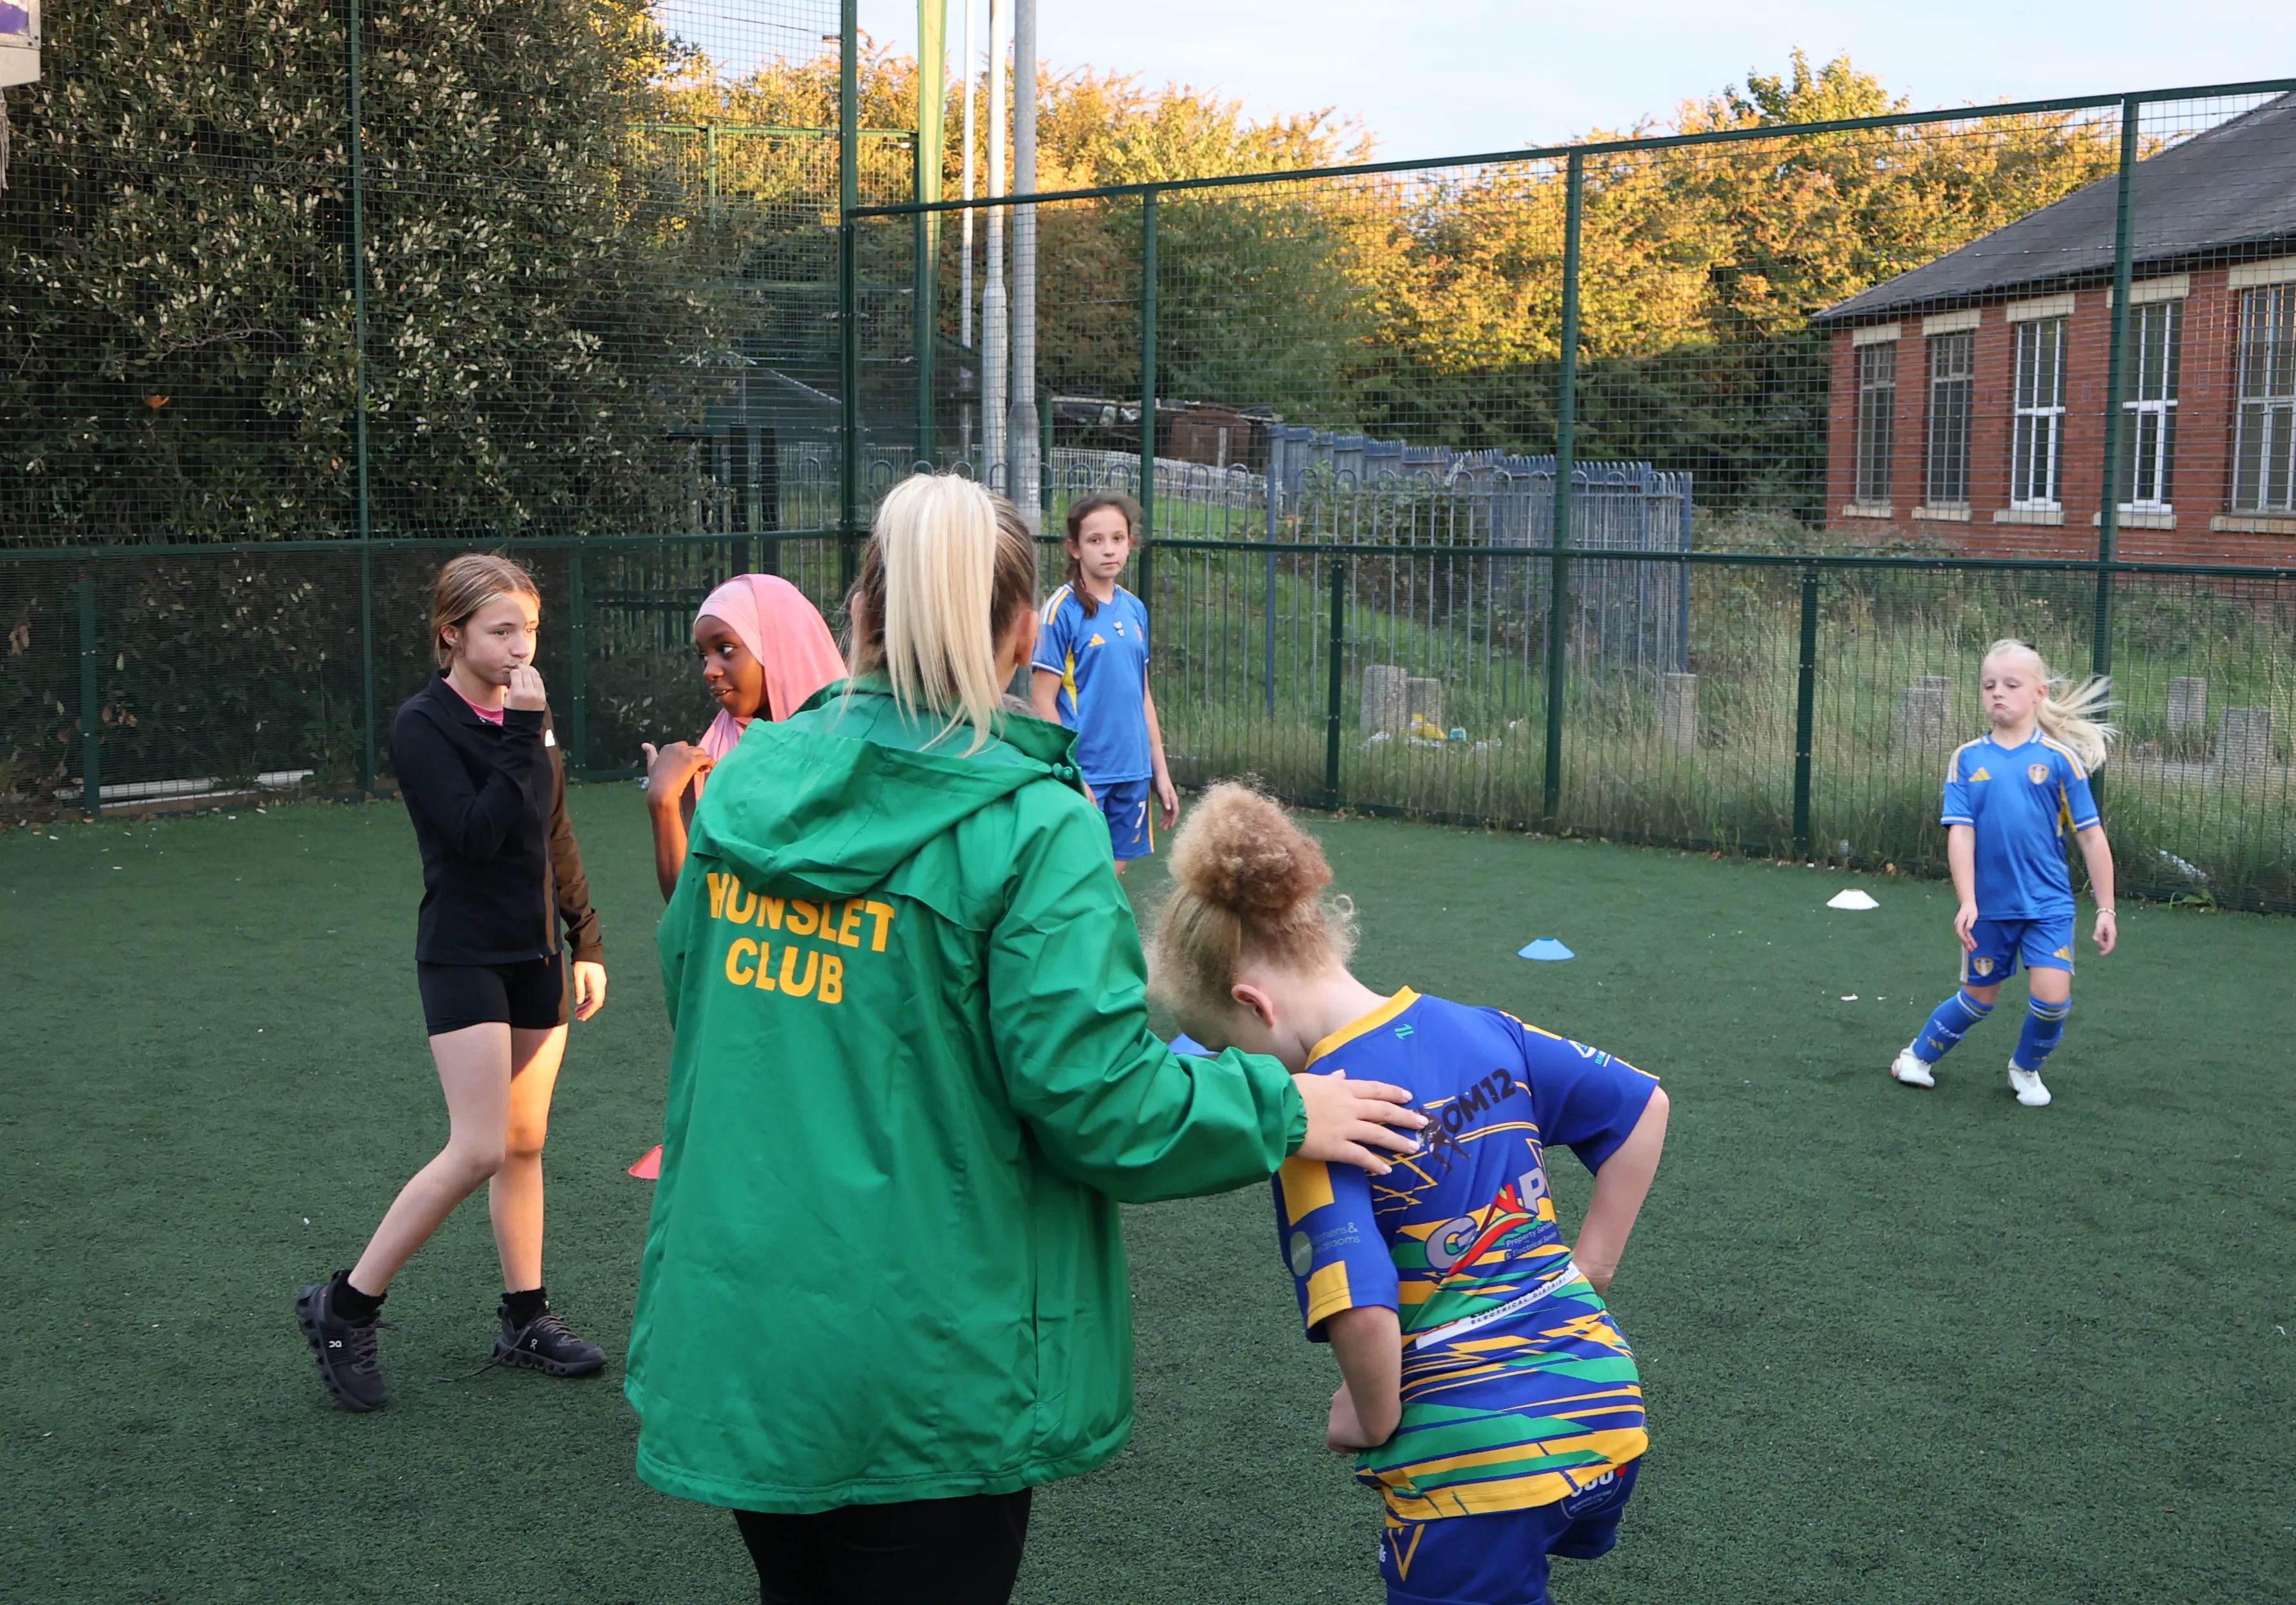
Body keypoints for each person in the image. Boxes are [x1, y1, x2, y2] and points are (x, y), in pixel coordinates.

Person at [624, 473, 1429, 1605]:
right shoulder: (1029, 821)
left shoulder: (744, 783)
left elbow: (695, 996)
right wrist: (1285, 1106)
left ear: (860, 613)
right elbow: (1100, 1101)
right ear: (1019, 633)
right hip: (928, 1360)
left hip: (756, 1333)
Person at [1147, 782, 1671, 1605]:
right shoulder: (1480, 1026)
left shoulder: (1315, 1122)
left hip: (1478, 1466)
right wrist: (1592, 1268)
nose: (1241, 1068)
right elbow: (1644, 1107)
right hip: (1606, 1414)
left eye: (1228, 1046)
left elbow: (1362, 1309)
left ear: (1254, 1004)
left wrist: (1371, 1416)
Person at [296, 554, 610, 1412]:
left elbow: (553, 828)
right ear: (453, 634)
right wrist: (522, 731)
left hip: (537, 954)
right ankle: (345, 1303)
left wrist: (586, 939)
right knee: (476, 1146)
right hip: (464, 954)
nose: (520, 647)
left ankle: (525, 1318)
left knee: (523, 1145)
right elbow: (475, 834)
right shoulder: (423, 725)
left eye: (530, 631)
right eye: (501, 630)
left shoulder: (528, 717)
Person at [1890, 637, 2119, 1107]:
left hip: (2048, 905)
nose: (1998, 692)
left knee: (2053, 999)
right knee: (1978, 999)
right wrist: (1968, 901)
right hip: (1991, 907)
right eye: (1989, 685)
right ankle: (1914, 1058)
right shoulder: (1968, 758)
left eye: (2011, 684)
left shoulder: (2060, 761)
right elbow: (1961, 834)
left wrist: (2106, 908)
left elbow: (2092, 837)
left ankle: (2026, 1069)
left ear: (2038, 693)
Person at [639, 572, 847, 902]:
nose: (709, 669)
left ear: (779, 645)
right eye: (704, 655)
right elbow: (689, 907)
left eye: (726, 649)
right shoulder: (713, 754)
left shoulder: (850, 747)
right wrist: (663, 801)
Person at [1029, 490, 1178, 875]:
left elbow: (1142, 695)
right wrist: (1071, 773)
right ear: (1075, 548)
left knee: (1114, 876)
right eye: (1095, 540)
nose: (1108, 550)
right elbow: (1043, 701)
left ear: (1130, 544)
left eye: (1117, 539)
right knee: (1079, 876)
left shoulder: (1135, 609)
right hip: (1088, 772)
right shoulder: (1061, 610)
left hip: (1133, 770)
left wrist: (1159, 772)